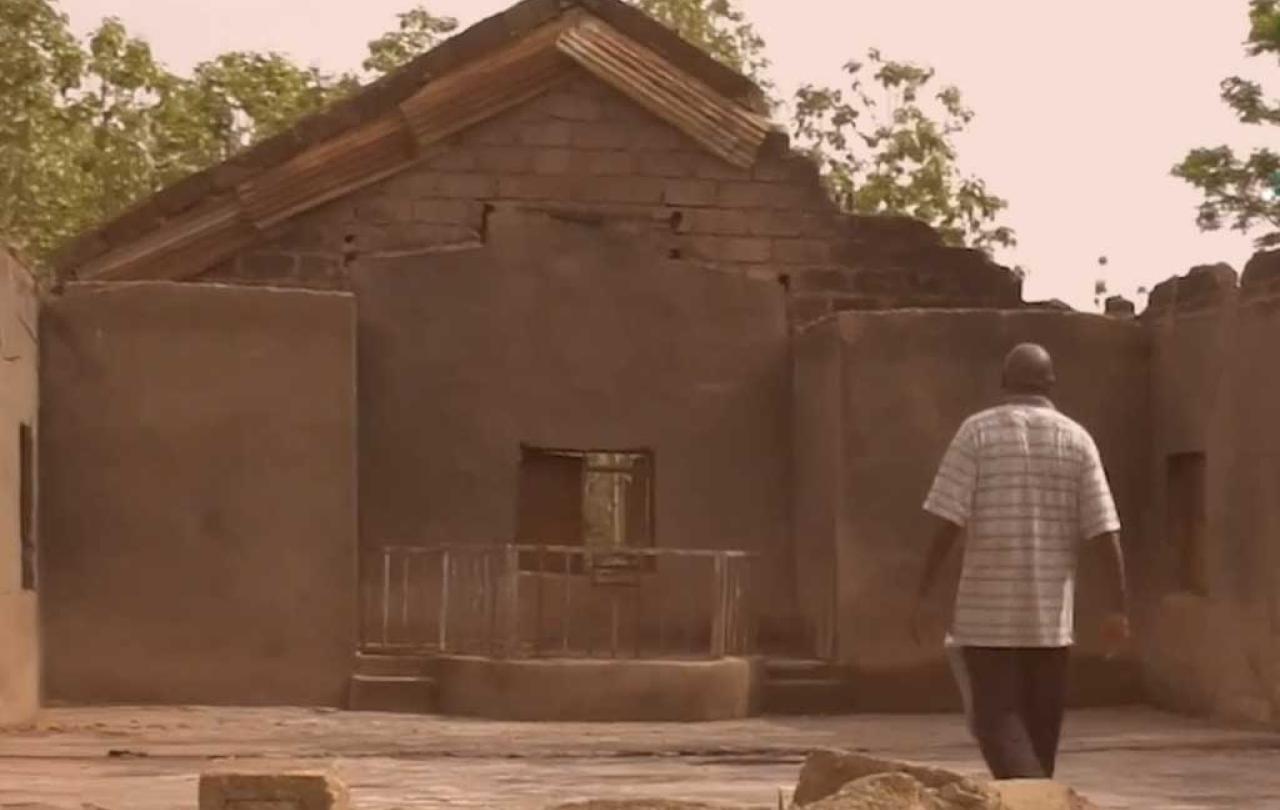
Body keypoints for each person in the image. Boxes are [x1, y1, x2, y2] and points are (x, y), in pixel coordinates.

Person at [911, 343, 1130, 780]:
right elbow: (1105, 529)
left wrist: (923, 594)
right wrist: (1118, 608)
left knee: (996, 725)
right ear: (1051, 384)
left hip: (984, 620)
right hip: (1049, 624)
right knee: (1038, 738)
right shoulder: (1077, 440)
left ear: (1003, 383)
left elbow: (947, 523)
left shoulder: (976, 433)